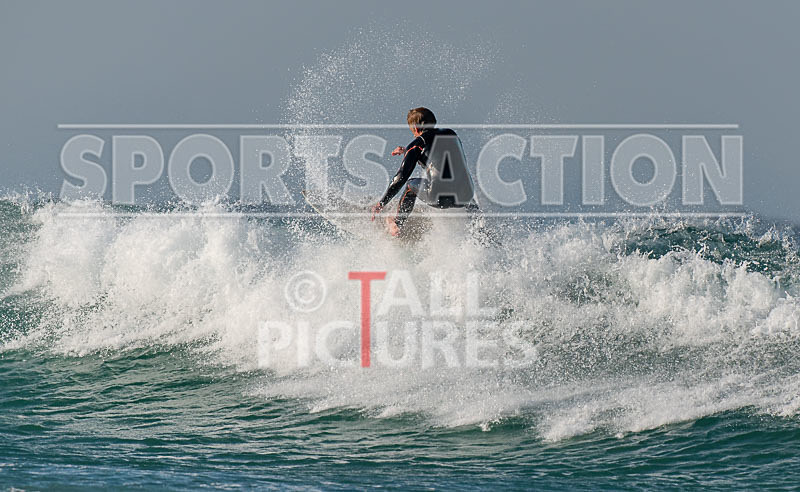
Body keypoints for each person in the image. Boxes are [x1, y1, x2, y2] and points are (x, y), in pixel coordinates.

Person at [370, 107, 479, 237]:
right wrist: (407, 151)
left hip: (439, 198)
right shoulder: (451, 134)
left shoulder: (417, 144)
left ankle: (397, 224)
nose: (414, 135)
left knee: (410, 185)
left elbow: (401, 177)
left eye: (413, 131)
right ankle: (480, 232)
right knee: (465, 189)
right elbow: (441, 157)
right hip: (464, 196)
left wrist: (381, 203)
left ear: (415, 128)